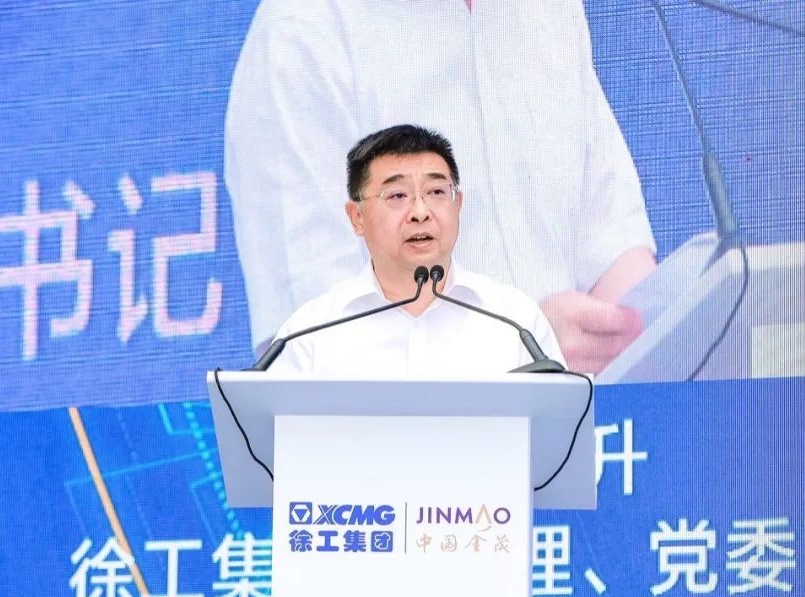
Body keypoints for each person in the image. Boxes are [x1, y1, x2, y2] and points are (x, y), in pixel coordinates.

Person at [225, 0, 656, 373]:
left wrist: (650, 323)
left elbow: (614, 251)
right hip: (402, 441)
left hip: (586, 431)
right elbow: (313, 346)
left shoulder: (547, 10)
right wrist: (521, 351)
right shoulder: (303, 29)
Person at [267, 125, 564, 377]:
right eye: (397, 195)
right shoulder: (310, 333)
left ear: (457, 205)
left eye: (436, 192)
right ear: (357, 217)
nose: (420, 212)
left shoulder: (515, 321)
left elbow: (561, 423)